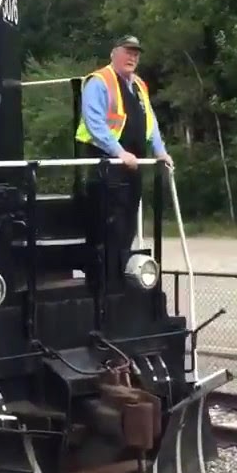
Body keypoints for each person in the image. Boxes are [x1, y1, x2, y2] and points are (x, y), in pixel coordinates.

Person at [73, 35, 173, 293]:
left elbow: (150, 122)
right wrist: (119, 152)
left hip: (133, 166)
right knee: (108, 227)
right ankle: (102, 284)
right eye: (128, 52)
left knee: (127, 225)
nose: (133, 57)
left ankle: (120, 281)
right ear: (114, 53)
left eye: (136, 53)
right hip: (105, 165)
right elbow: (94, 123)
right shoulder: (98, 81)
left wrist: (160, 152)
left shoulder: (139, 85)